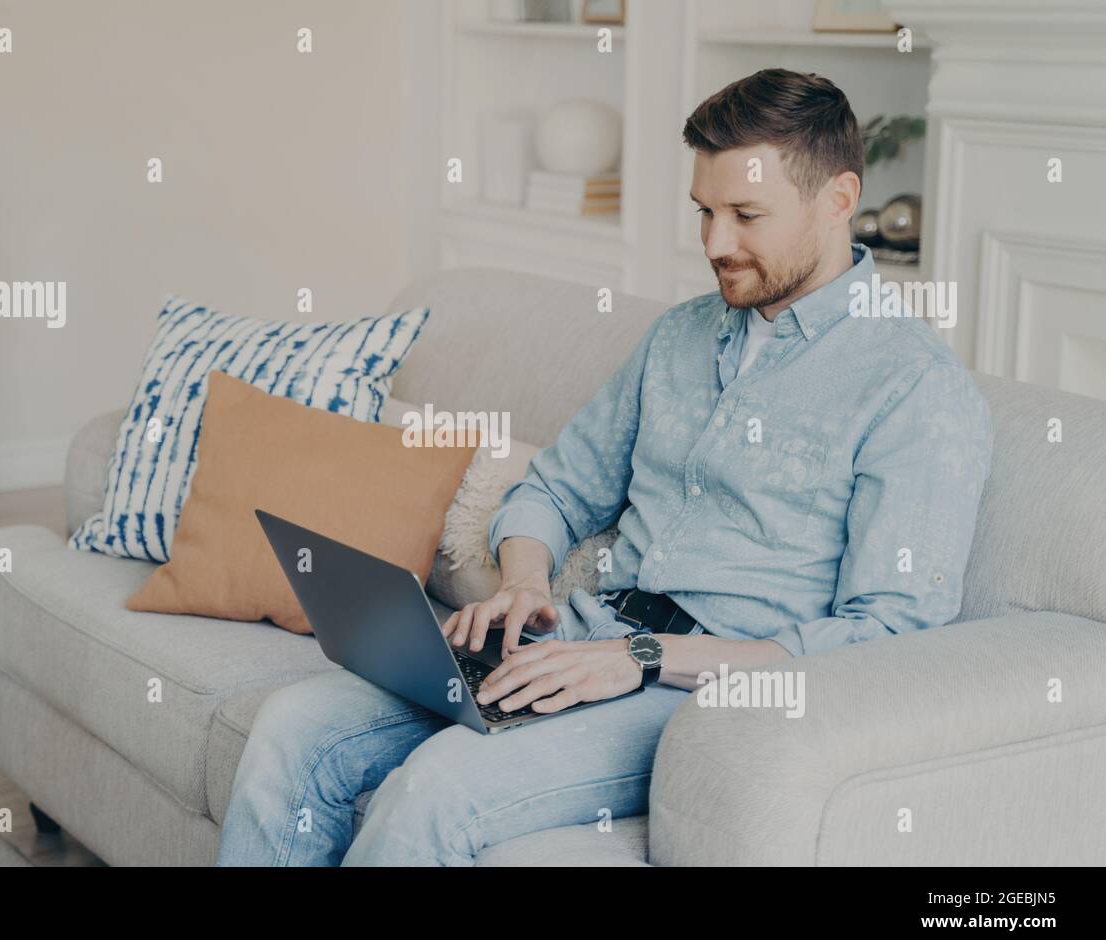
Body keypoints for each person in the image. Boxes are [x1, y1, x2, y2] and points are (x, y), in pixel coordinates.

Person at [215, 68, 993, 867]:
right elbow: (555, 487)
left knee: (435, 791)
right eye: (705, 212)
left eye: (746, 216)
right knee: (291, 730)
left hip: (699, 696)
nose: (715, 244)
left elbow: (887, 639)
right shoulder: (680, 338)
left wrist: (640, 658)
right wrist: (523, 581)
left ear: (838, 199)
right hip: (582, 637)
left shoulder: (914, 389)